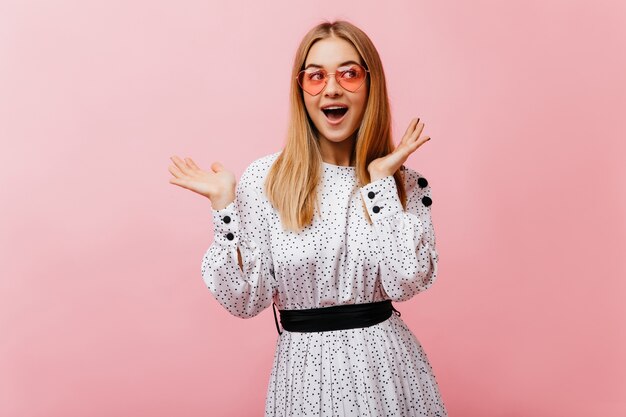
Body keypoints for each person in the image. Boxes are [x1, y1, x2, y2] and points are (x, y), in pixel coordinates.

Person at [168, 20, 448, 417]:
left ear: (372, 84)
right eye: (316, 76)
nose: (332, 88)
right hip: (304, 378)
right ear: (301, 90)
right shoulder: (265, 180)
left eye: (349, 73)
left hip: (386, 371)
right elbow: (245, 301)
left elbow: (406, 281)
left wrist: (382, 182)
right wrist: (225, 208)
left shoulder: (405, 182)